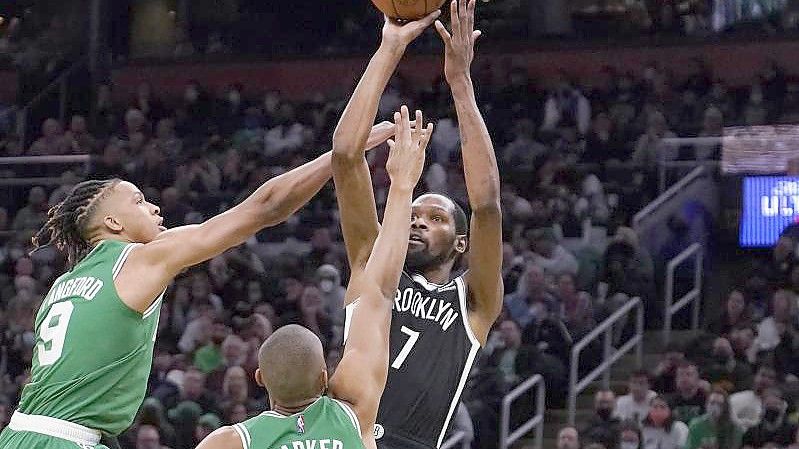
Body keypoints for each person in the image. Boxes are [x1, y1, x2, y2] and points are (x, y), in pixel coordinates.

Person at [0, 128, 396, 447]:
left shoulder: (63, 285)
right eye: (138, 201)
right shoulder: (139, 259)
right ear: (114, 226)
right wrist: (341, 155)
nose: (153, 207)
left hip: (19, 433)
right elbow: (263, 208)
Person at [195, 107, 433, 449]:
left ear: (260, 379)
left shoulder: (229, 442)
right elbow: (381, 290)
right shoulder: (353, 411)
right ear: (325, 377)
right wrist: (402, 186)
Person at [334, 2, 503, 449]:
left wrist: (460, 84)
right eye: (412, 215)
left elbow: (487, 205)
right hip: (347, 438)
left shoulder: (473, 303)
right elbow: (346, 157)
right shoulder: (372, 268)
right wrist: (389, 48)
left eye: (436, 218)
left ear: (461, 243)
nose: (418, 223)